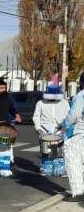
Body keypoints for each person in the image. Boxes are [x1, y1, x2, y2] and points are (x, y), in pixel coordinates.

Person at [33, 76, 69, 177]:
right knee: (46, 151)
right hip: (45, 131)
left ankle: (60, 170)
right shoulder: (40, 103)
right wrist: (38, 128)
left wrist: (65, 127)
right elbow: (36, 116)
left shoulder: (64, 103)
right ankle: (45, 169)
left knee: (60, 152)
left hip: (60, 131)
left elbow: (68, 116)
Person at [58, 74, 84, 203]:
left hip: (79, 134)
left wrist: (64, 125)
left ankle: (78, 192)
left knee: (74, 164)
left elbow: (74, 115)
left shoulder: (80, 96)